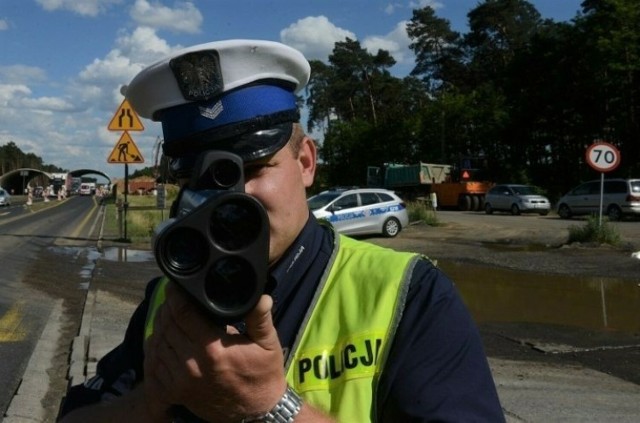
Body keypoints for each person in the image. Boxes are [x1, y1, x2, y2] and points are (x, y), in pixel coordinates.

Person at [58, 39, 505, 422]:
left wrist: (272, 406)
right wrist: (152, 401)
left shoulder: (410, 295)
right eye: (202, 179)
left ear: (306, 162)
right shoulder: (165, 302)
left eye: (252, 168)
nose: (230, 201)